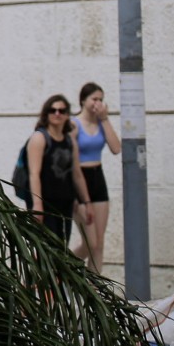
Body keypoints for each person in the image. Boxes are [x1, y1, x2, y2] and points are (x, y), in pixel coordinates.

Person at [20, 93, 91, 244]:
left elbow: (77, 174)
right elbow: (34, 174)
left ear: (67, 115)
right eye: (53, 110)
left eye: (62, 111)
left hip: (65, 202)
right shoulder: (39, 138)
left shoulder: (69, 141)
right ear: (46, 114)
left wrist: (86, 202)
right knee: (46, 246)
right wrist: (37, 205)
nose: (57, 114)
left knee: (62, 246)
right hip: (45, 202)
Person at [71, 81, 121, 273]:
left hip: (97, 178)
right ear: (84, 100)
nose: (97, 103)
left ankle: (95, 291)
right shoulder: (74, 124)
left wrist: (105, 119)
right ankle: (61, 266)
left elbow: (116, 148)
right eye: (94, 99)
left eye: (101, 99)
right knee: (90, 243)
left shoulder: (101, 123)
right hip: (80, 179)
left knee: (99, 243)